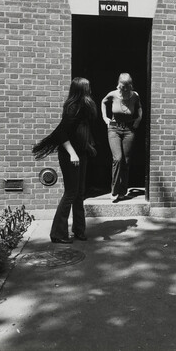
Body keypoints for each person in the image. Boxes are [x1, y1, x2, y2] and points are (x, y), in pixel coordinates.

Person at [32, 77, 100, 244]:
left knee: (79, 193)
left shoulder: (83, 107)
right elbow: (62, 133)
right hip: (71, 156)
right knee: (71, 193)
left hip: (80, 154)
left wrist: (87, 146)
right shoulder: (73, 107)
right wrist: (72, 153)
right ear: (81, 89)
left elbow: (81, 130)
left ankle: (79, 230)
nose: (90, 89)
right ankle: (58, 233)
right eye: (88, 87)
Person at [101, 73, 143, 202]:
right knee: (118, 159)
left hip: (129, 130)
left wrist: (138, 119)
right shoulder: (113, 94)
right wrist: (105, 118)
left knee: (126, 161)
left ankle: (123, 191)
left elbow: (139, 108)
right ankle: (114, 190)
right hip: (114, 129)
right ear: (119, 84)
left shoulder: (135, 95)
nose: (124, 89)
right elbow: (103, 101)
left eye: (127, 86)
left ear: (130, 85)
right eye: (122, 86)